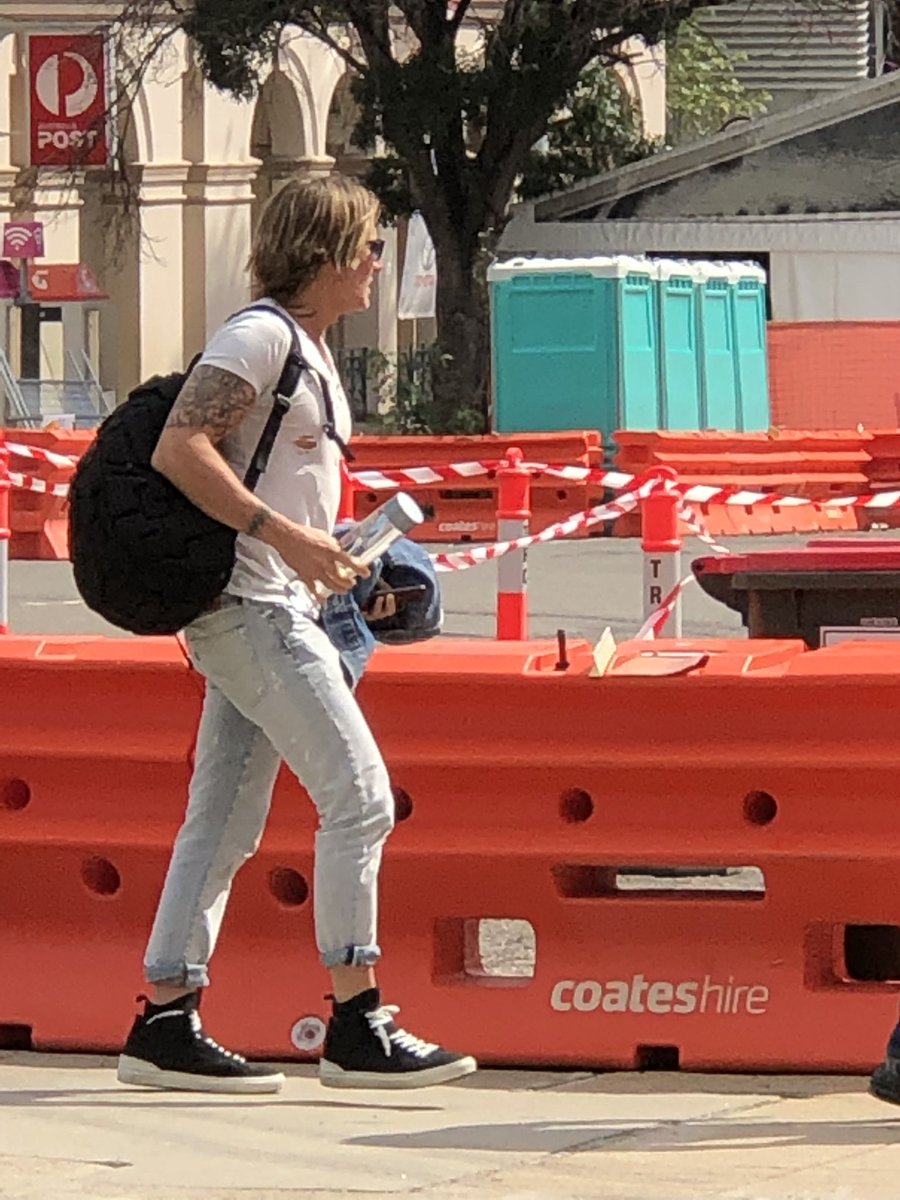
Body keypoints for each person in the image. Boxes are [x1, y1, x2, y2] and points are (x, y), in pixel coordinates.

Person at [116, 172, 477, 1094]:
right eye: (366, 246)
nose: (375, 264)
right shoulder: (260, 335)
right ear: (321, 254)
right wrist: (286, 542)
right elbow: (180, 448)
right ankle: (358, 1021)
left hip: (277, 600)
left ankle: (165, 1016)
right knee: (358, 796)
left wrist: (346, 560)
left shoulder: (307, 349)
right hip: (251, 605)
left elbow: (285, 483)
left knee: (225, 817)